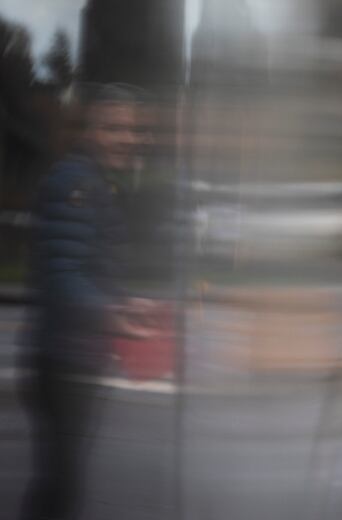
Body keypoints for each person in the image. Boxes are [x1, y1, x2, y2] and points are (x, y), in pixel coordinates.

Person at [18, 83, 159, 520]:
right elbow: (63, 278)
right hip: (63, 363)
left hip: (74, 358)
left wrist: (124, 301)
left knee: (60, 482)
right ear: (92, 129)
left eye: (133, 130)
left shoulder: (93, 182)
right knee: (60, 487)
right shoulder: (76, 183)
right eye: (115, 128)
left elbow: (85, 267)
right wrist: (113, 316)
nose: (128, 139)